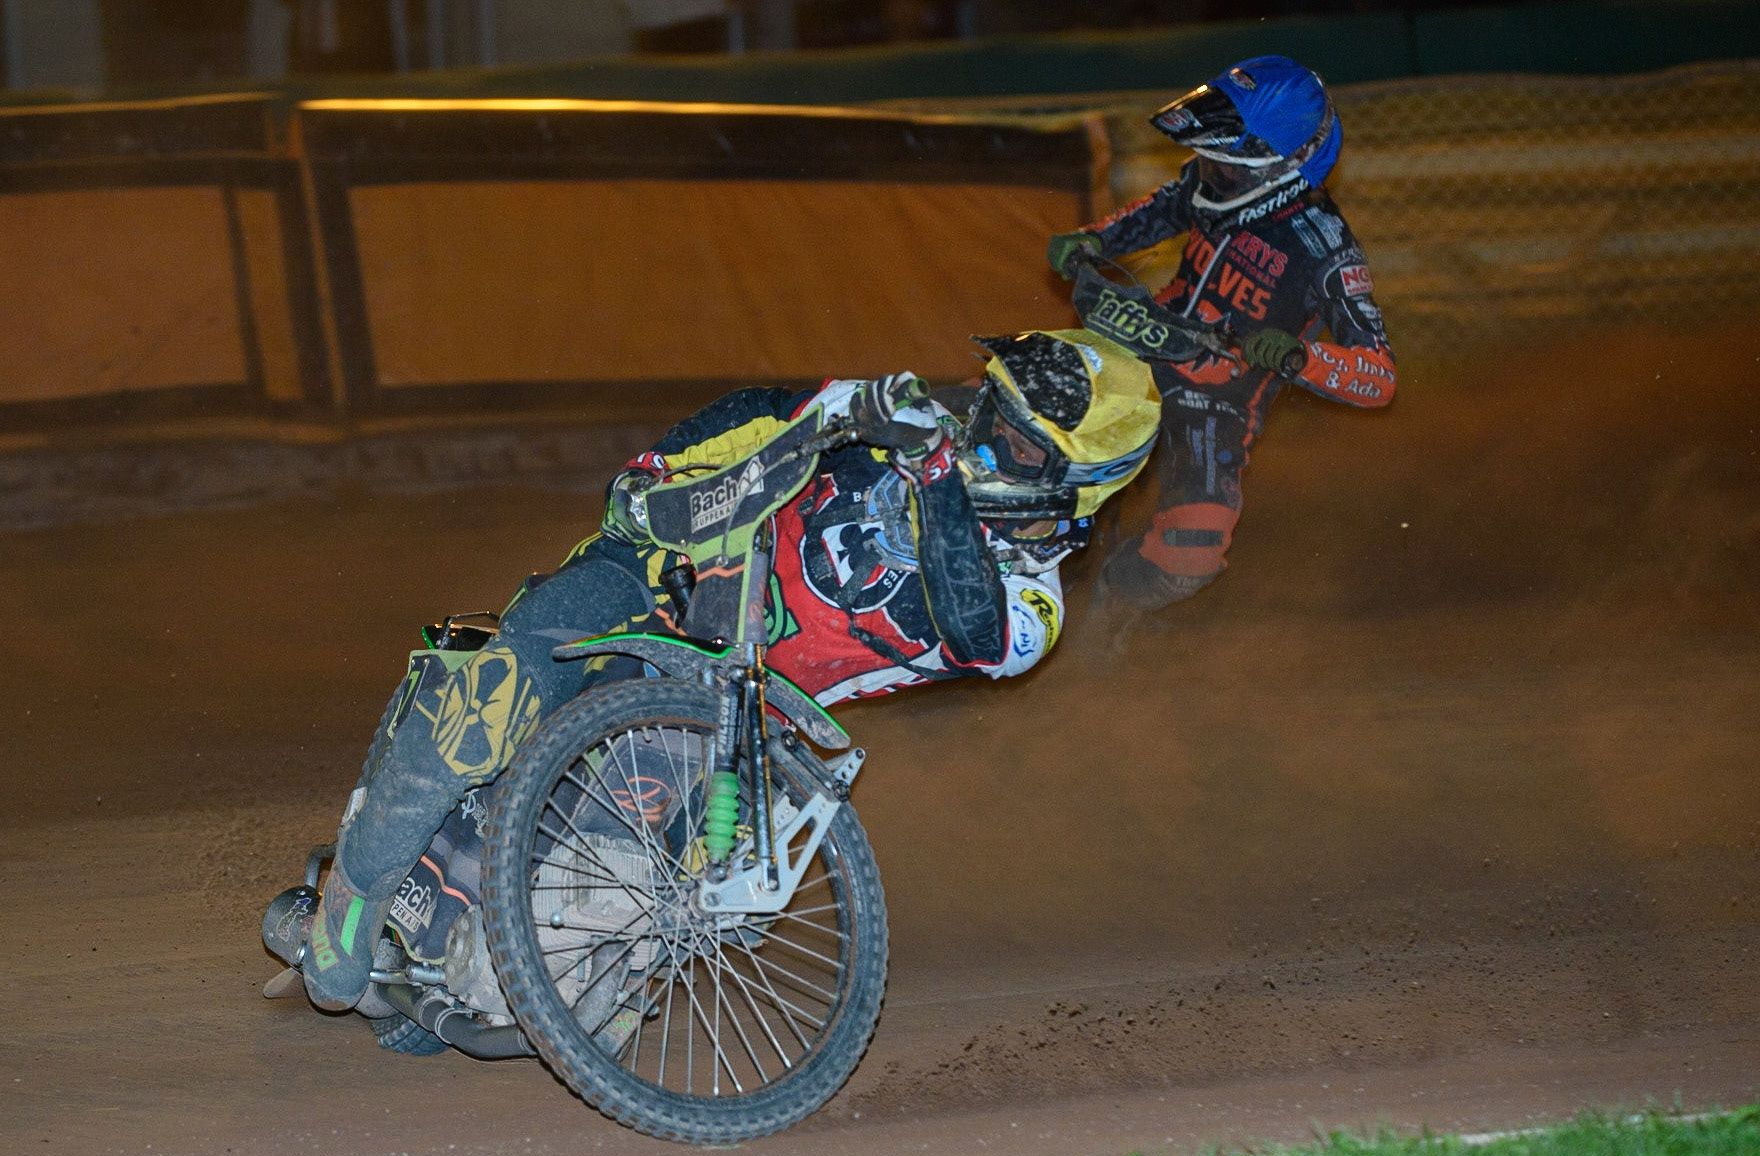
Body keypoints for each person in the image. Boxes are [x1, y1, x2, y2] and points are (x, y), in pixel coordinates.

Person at [300, 328, 1162, 1011]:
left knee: (544, 965)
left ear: (1080, 481)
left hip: (734, 712)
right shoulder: (910, 428)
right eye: (989, 406)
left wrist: (932, 470)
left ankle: (516, 961)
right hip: (656, 585)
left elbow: (973, 626)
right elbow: (760, 410)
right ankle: (357, 887)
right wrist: (666, 468)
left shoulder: (1029, 606)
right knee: (492, 698)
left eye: (1014, 439)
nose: (979, 434)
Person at [1046, 55, 1396, 611]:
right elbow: (1166, 207)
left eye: (1225, 167)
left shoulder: (1326, 249)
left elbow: (1380, 377)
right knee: (1028, 400)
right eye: (1205, 162)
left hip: (1220, 397)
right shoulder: (1212, 180)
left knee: (1191, 555)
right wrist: (1095, 241)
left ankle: (1109, 610)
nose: (1209, 176)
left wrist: (1300, 358)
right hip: (1145, 336)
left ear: (1281, 168)